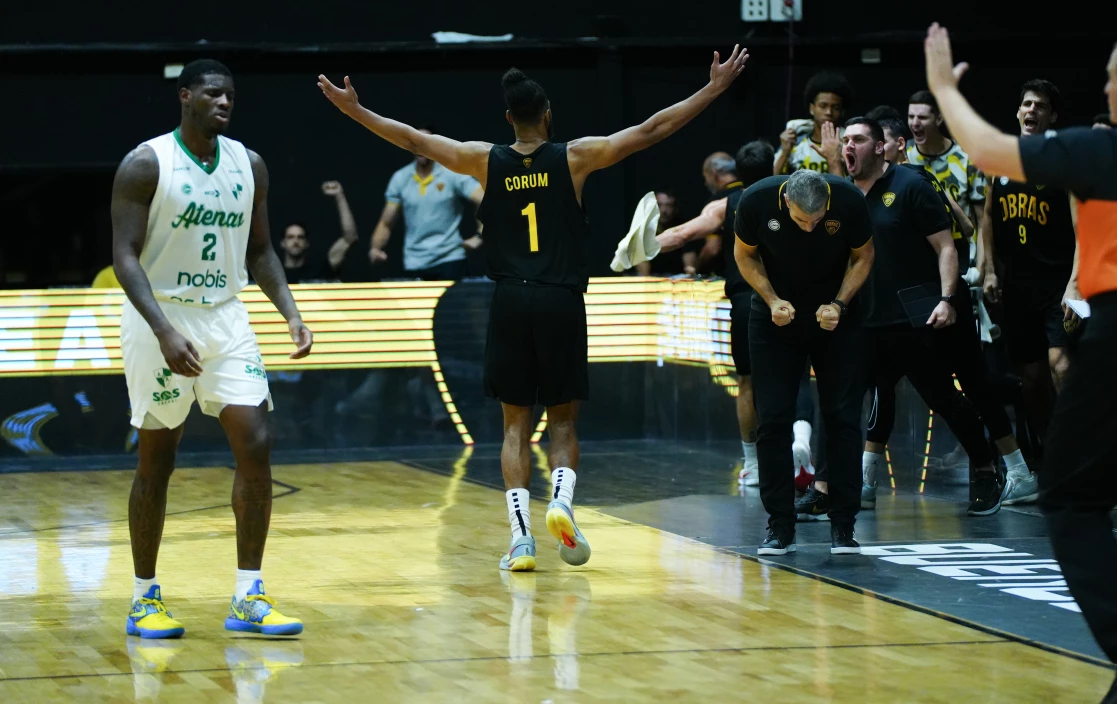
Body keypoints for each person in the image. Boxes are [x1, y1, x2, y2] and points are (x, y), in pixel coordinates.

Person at [319, 45, 749, 572]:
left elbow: (411, 138)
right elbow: (651, 130)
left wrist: (353, 111)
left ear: (508, 119)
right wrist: (713, 88)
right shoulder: (575, 156)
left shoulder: (482, 158)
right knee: (564, 424)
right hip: (560, 299)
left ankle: (521, 541)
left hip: (509, 300)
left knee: (513, 427)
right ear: (548, 115)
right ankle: (562, 505)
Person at [926, 24, 1117, 703]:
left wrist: (941, 87)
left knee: (1073, 497)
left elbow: (987, 149)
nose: (1104, 90)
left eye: (1110, 80)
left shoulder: (1102, 149)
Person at [112, 59, 313, 640]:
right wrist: (163, 330)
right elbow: (124, 256)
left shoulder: (249, 165)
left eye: (230, 95)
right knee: (158, 458)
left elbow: (261, 251)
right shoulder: (146, 163)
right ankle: (143, 599)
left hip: (226, 315)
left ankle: (248, 596)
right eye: (213, 94)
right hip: (161, 314)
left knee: (256, 441)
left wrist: (291, 314)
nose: (225, 102)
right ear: (185, 97)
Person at [841, 116, 1003, 517]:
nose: (848, 146)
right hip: (868, 319)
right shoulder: (843, 196)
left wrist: (948, 298)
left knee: (944, 399)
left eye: (858, 139)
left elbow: (947, 247)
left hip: (915, 319)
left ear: (881, 147)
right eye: (845, 140)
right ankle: (840, 486)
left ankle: (985, 467)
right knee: (847, 399)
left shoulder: (912, 185)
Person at [873, 117, 1036, 507]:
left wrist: (949, 290)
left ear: (891, 146)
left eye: (870, 140)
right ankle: (861, 477)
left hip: (941, 300)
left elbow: (961, 228)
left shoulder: (917, 181)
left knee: (972, 384)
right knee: (884, 387)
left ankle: (1014, 469)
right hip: (895, 310)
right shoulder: (864, 189)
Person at [733, 169, 874, 555]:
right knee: (773, 419)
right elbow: (744, 256)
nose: (810, 228)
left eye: (818, 220)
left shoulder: (848, 199)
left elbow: (863, 257)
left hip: (836, 315)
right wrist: (770, 298)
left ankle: (843, 525)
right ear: (785, 202)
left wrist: (840, 303)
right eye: (800, 220)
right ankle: (780, 526)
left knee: (843, 418)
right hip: (776, 314)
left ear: (827, 200)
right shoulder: (756, 201)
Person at [654, 140, 773, 485]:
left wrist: (637, 247)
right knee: (790, 379)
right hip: (786, 302)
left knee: (747, 382)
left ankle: (752, 464)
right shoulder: (792, 198)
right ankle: (796, 448)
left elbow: (681, 235)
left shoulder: (725, 205)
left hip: (745, 301)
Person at [977, 81, 1076, 457]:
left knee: (1061, 367)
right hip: (1018, 286)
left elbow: (1082, 229)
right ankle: (1051, 453)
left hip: (1057, 283)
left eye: (1041, 106)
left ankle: (1079, 453)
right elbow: (987, 216)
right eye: (1026, 104)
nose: (1031, 110)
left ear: (1052, 116)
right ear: (1018, 112)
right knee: (1031, 379)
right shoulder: (1000, 159)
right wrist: (988, 271)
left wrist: (1076, 282)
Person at [369, 128, 484, 282]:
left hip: (450, 260)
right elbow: (386, 222)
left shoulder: (451, 173)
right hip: (414, 262)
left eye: (426, 143)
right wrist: (375, 248)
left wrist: (479, 236)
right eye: (416, 143)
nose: (421, 148)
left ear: (435, 145)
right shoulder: (400, 178)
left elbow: (484, 199)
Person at [907, 90, 987, 233]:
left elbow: (982, 219)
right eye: (911, 116)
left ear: (938, 119)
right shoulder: (905, 156)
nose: (915, 123)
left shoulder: (967, 157)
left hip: (966, 251)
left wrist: (982, 256)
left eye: (922, 117)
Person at [773, 72, 852, 176]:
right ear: (812, 108)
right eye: (823, 106)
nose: (829, 112)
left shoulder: (849, 143)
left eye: (835, 107)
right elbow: (774, 180)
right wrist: (784, 152)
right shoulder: (796, 143)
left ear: (842, 111)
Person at [278, 181, 359, 283]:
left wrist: (339, 196)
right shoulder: (273, 276)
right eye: (290, 237)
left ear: (307, 243)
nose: (295, 241)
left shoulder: (319, 270)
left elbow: (349, 238)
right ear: (282, 243)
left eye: (300, 237)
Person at [635, 191, 698, 276]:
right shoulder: (642, 228)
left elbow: (689, 266)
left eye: (668, 205)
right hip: (650, 278)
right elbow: (641, 262)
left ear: (676, 208)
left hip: (677, 279)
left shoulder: (684, 228)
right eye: (659, 205)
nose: (663, 210)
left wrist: (689, 273)